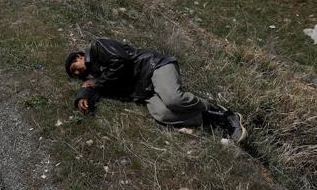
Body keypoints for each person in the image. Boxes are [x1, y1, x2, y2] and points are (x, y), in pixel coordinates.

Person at [65, 38, 247, 143]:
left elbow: (121, 61)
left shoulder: (98, 47)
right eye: (74, 73)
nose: (77, 71)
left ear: (80, 56)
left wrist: (96, 84)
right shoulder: (96, 78)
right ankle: (214, 119)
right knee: (162, 114)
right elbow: (91, 88)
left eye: (75, 66)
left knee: (173, 99)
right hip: (145, 91)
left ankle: (220, 111)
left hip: (153, 66)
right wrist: (83, 96)